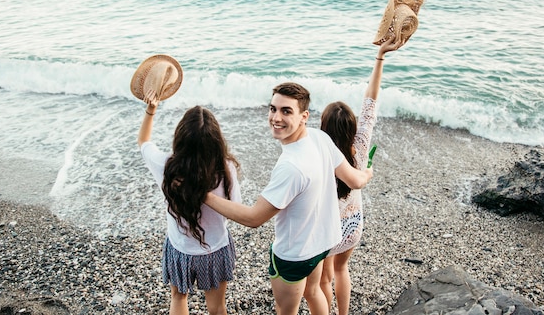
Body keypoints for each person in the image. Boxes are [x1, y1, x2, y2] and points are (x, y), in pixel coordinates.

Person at [205, 82, 373, 315]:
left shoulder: (291, 167)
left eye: (286, 111)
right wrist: (366, 174)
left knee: (285, 309)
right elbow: (354, 181)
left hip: (295, 254)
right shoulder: (320, 138)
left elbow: (254, 218)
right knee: (313, 292)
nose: (276, 117)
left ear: (304, 116)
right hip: (323, 242)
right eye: (273, 108)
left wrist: (204, 197)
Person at [138, 89, 241, 315]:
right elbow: (235, 207)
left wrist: (151, 110)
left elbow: (144, 141)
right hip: (215, 248)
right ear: (216, 142)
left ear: (180, 139)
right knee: (217, 307)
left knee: (178, 297)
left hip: (181, 248)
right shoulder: (225, 169)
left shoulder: (167, 166)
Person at [318, 38, 399, 315]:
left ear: (323, 128)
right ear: (352, 126)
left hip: (329, 228)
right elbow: (371, 102)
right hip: (353, 224)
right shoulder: (361, 144)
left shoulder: (322, 154)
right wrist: (380, 57)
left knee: (325, 277)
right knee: (343, 270)